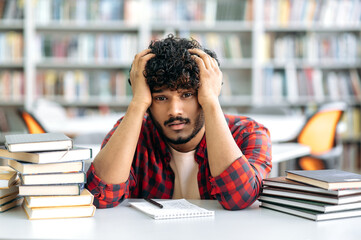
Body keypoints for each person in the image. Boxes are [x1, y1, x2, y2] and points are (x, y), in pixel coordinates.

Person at [86, 34, 272, 210]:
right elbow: (100, 195)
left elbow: (239, 198)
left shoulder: (247, 133)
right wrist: (137, 103)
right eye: (161, 98)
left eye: (187, 95)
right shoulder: (134, 131)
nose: (174, 110)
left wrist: (211, 102)